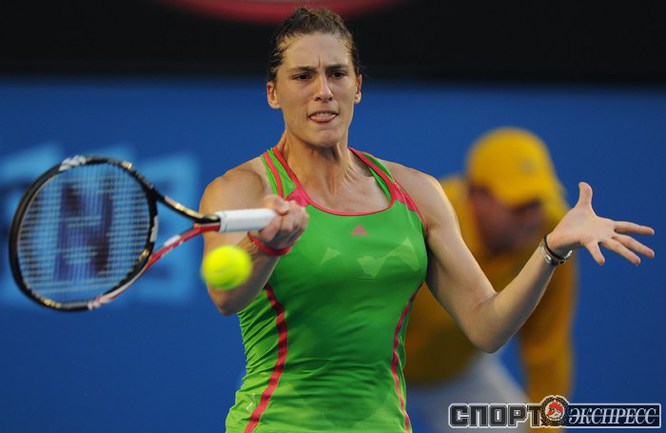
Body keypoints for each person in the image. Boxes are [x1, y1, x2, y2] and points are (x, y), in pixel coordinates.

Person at [199, 8, 654, 433]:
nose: (323, 90)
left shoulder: (417, 193)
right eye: (303, 76)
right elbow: (225, 296)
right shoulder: (241, 189)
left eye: (337, 73)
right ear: (273, 93)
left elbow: (487, 327)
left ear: (358, 86)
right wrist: (267, 244)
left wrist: (550, 250)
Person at [405, 127, 577, 433]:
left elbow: (546, 348)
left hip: (457, 376)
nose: (530, 218)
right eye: (518, 206)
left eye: (537, 203)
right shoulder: (421, 221)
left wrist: (546, 429)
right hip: (371, 371)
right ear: (475, 194)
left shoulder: (553, 239)